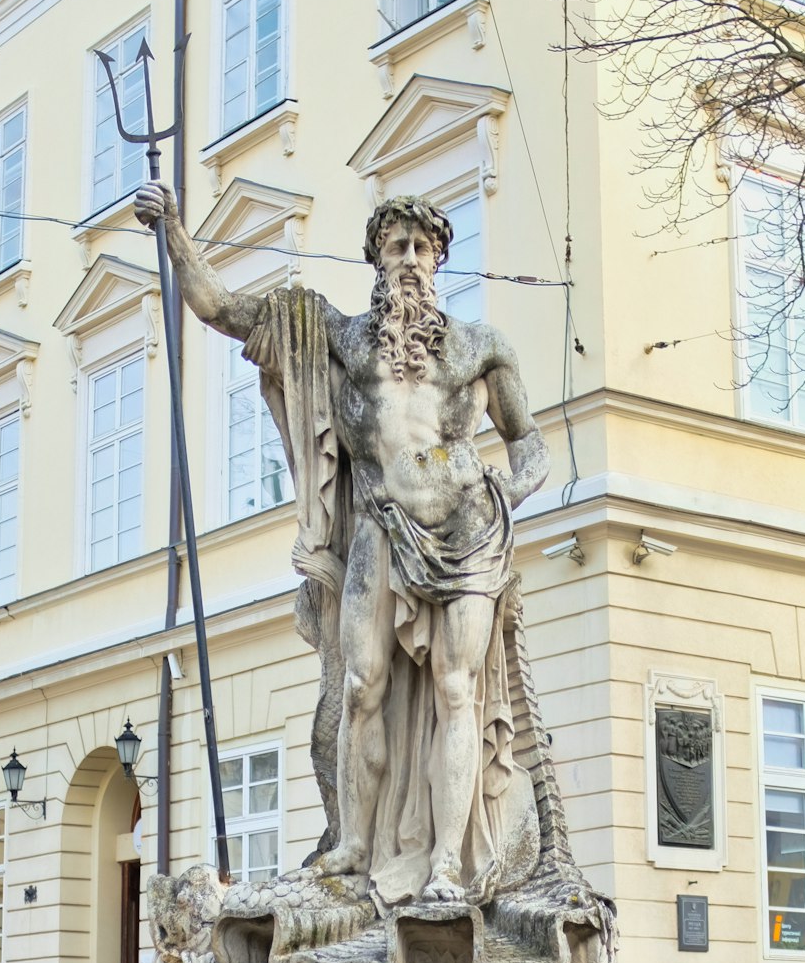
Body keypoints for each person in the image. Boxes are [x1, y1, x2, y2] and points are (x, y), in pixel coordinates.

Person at [135, 183, 549, 910]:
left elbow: (532, 446)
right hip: (380, 525)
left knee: (458, 691)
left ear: (441, 259)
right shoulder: (338, 335)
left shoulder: (483, 347)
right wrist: (174, 234)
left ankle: (446, 866)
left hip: (468, 532)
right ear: (376, 260)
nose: (411, 260)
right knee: (359, 687)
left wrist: (506, 495)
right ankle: (355, 846)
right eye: (397, 247)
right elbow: (222, 310)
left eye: (423, 248)